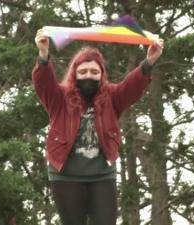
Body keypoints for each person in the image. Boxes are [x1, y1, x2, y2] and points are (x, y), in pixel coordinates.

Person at [32, 28, 164, 225]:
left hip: (102, 176)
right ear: (74, 74)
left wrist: (149, 62)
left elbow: (132, 87)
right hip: (66, 176)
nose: (88, 75)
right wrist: (43, 55)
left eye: (94, 72)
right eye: (83, 71)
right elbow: (44, 83)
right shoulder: (59, 98)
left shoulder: (112, 97)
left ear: (101, 75)